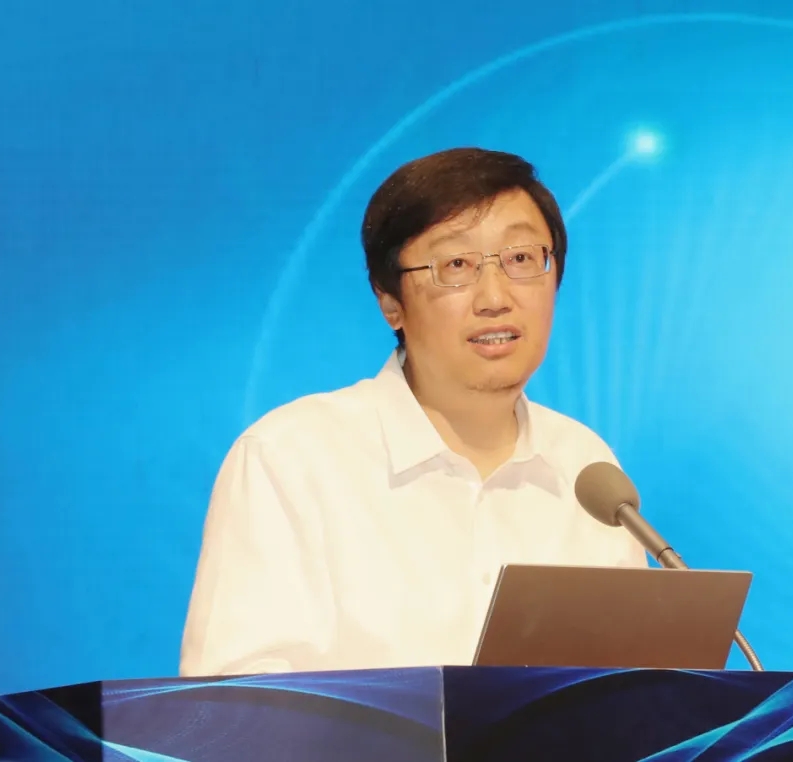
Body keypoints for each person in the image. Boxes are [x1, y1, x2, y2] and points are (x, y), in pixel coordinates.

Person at [179, 147, 647, 677]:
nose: (495, 297)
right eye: (456, 266)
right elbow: (230, 703)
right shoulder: (291, 459)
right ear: (390, 302)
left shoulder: (587, 470)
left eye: (520, 259)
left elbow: (628, 688)